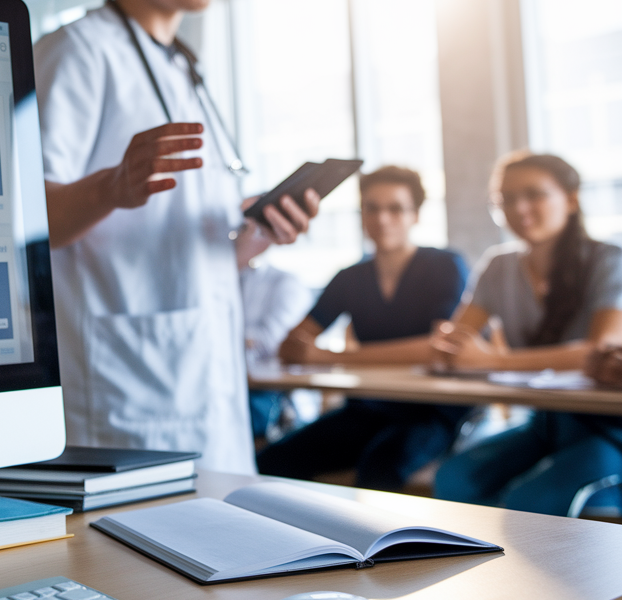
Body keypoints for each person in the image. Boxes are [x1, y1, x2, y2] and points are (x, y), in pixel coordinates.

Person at [35, 0, 318, 472]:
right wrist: (114, 186)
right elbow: (29, 224)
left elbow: (195, 251)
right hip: (127, 386)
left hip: (208, 380)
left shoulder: (185, 69)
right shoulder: (78, 53)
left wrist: (259, 233)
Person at [255, 167, 469, 490]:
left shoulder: (445, 266)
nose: (382, 219)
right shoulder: (350, 277)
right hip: (369, 407)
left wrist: (328, 358)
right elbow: (291, 346)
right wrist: (307, 350)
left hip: (430, 412)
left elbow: (436, 348)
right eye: (372, 208)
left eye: (395, 208)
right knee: (273, 461)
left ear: (416, 215)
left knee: (379, 468)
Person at [432, 153, 622, 515]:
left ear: (571, 198)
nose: (520, 208)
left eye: (534, 194)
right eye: (506, 199)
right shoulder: (498, 266)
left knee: (530, 501)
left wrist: (491, 360)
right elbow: (455, 341)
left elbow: (599, 348)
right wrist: (453, 347)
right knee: (453, 479)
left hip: (609, 429)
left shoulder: (609, 260)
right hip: (545, 423)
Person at [238, 248, 312, 439]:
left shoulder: (286, 283)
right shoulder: (216, 283)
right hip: (230, 385)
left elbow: (273, 343)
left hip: (267, 392)